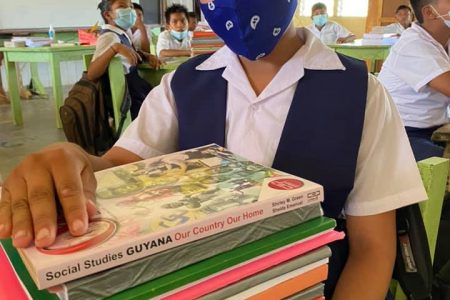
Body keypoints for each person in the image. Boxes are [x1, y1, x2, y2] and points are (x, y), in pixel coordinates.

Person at [0, 0, 427, 298]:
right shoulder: (182, 85)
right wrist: (75, 160)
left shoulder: (360, 93)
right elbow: (117, 170)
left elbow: (373, 248)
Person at [378, 0, 450, 161]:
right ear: (430, 13)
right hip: (402, 135)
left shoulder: (443, 40)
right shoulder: (413, 44)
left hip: (434, 129)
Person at [87, 0, 161, 120]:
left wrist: (145, 55)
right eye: (122, 6)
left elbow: (126, 56)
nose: (130, 10)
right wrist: (115, 48)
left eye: (131, 6)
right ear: (108, 15)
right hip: (126, 94)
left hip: (132, 87)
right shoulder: (109, 36)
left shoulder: (121, 33)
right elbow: (91, 74)